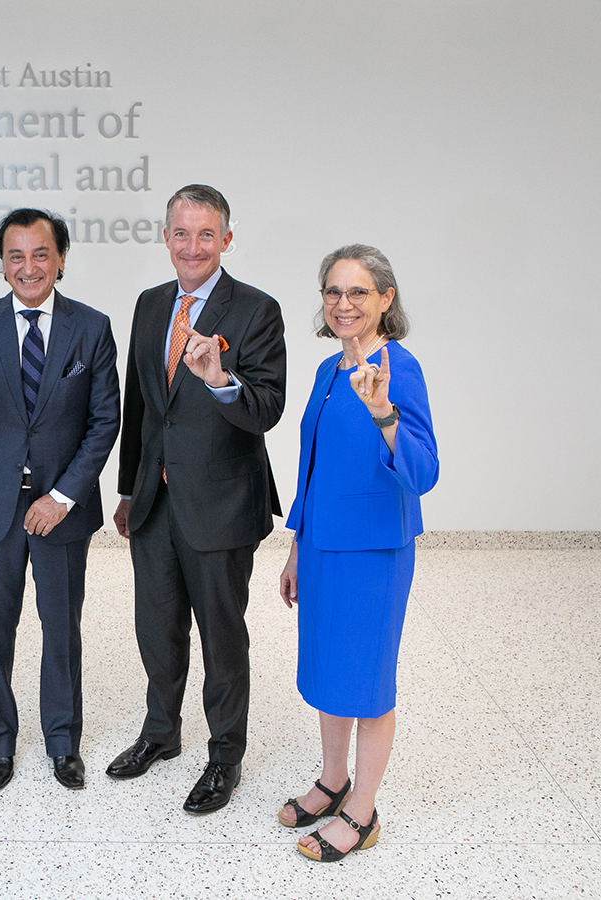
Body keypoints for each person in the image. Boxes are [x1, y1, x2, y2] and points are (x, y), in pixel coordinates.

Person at [0, 209, 121, 791]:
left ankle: (63, 743)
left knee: (62, 627)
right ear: (2, 263)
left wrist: (62, 495)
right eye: (16, 256)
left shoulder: (91, 326)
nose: (29, 266)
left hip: (61, 506)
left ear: (61, 259)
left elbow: (104, 420)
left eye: (41, 254)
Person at [107, 184, 287, 815]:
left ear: (227, 240)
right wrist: (129, 489)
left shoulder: (256, 311)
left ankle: (224, 757)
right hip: (155, 502)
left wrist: (222, 381)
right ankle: (160, 734)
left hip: (220, 505)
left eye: (206, 234)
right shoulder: (151, 305)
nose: (192, 246)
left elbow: (267, 409)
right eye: (181, 233)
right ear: (166, 237)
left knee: (220, 637)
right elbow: (140, 407)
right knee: (157, 630)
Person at [278, 244, 438, 861]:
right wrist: (296, 547)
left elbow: (422, 472)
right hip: (321, 545)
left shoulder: (401, 369)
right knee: (327, 672)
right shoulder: (325, 370)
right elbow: (312, 470)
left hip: (372, 552)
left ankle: (363, 813)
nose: (343, 305)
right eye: (333, 293)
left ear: (386, 300)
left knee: (367, 684)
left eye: (358, 293)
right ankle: (332, 779)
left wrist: (384, 415)